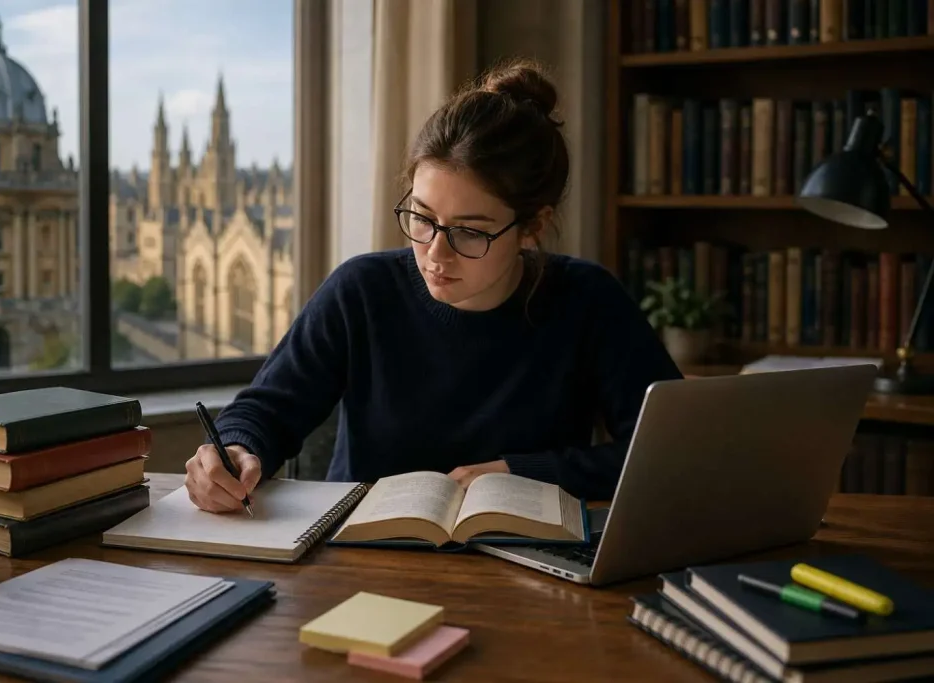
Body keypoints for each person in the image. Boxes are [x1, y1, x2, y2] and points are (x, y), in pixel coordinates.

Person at [184, 57, 683, 514]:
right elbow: (266, 410)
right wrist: (232, 450)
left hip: (532, 573)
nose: (435, 254)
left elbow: (673, 452)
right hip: (359, 566)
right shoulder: (362, 289)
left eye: (469, 231)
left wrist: (522, 474)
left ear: (533, 225)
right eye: (422, 218)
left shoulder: (588, 301)